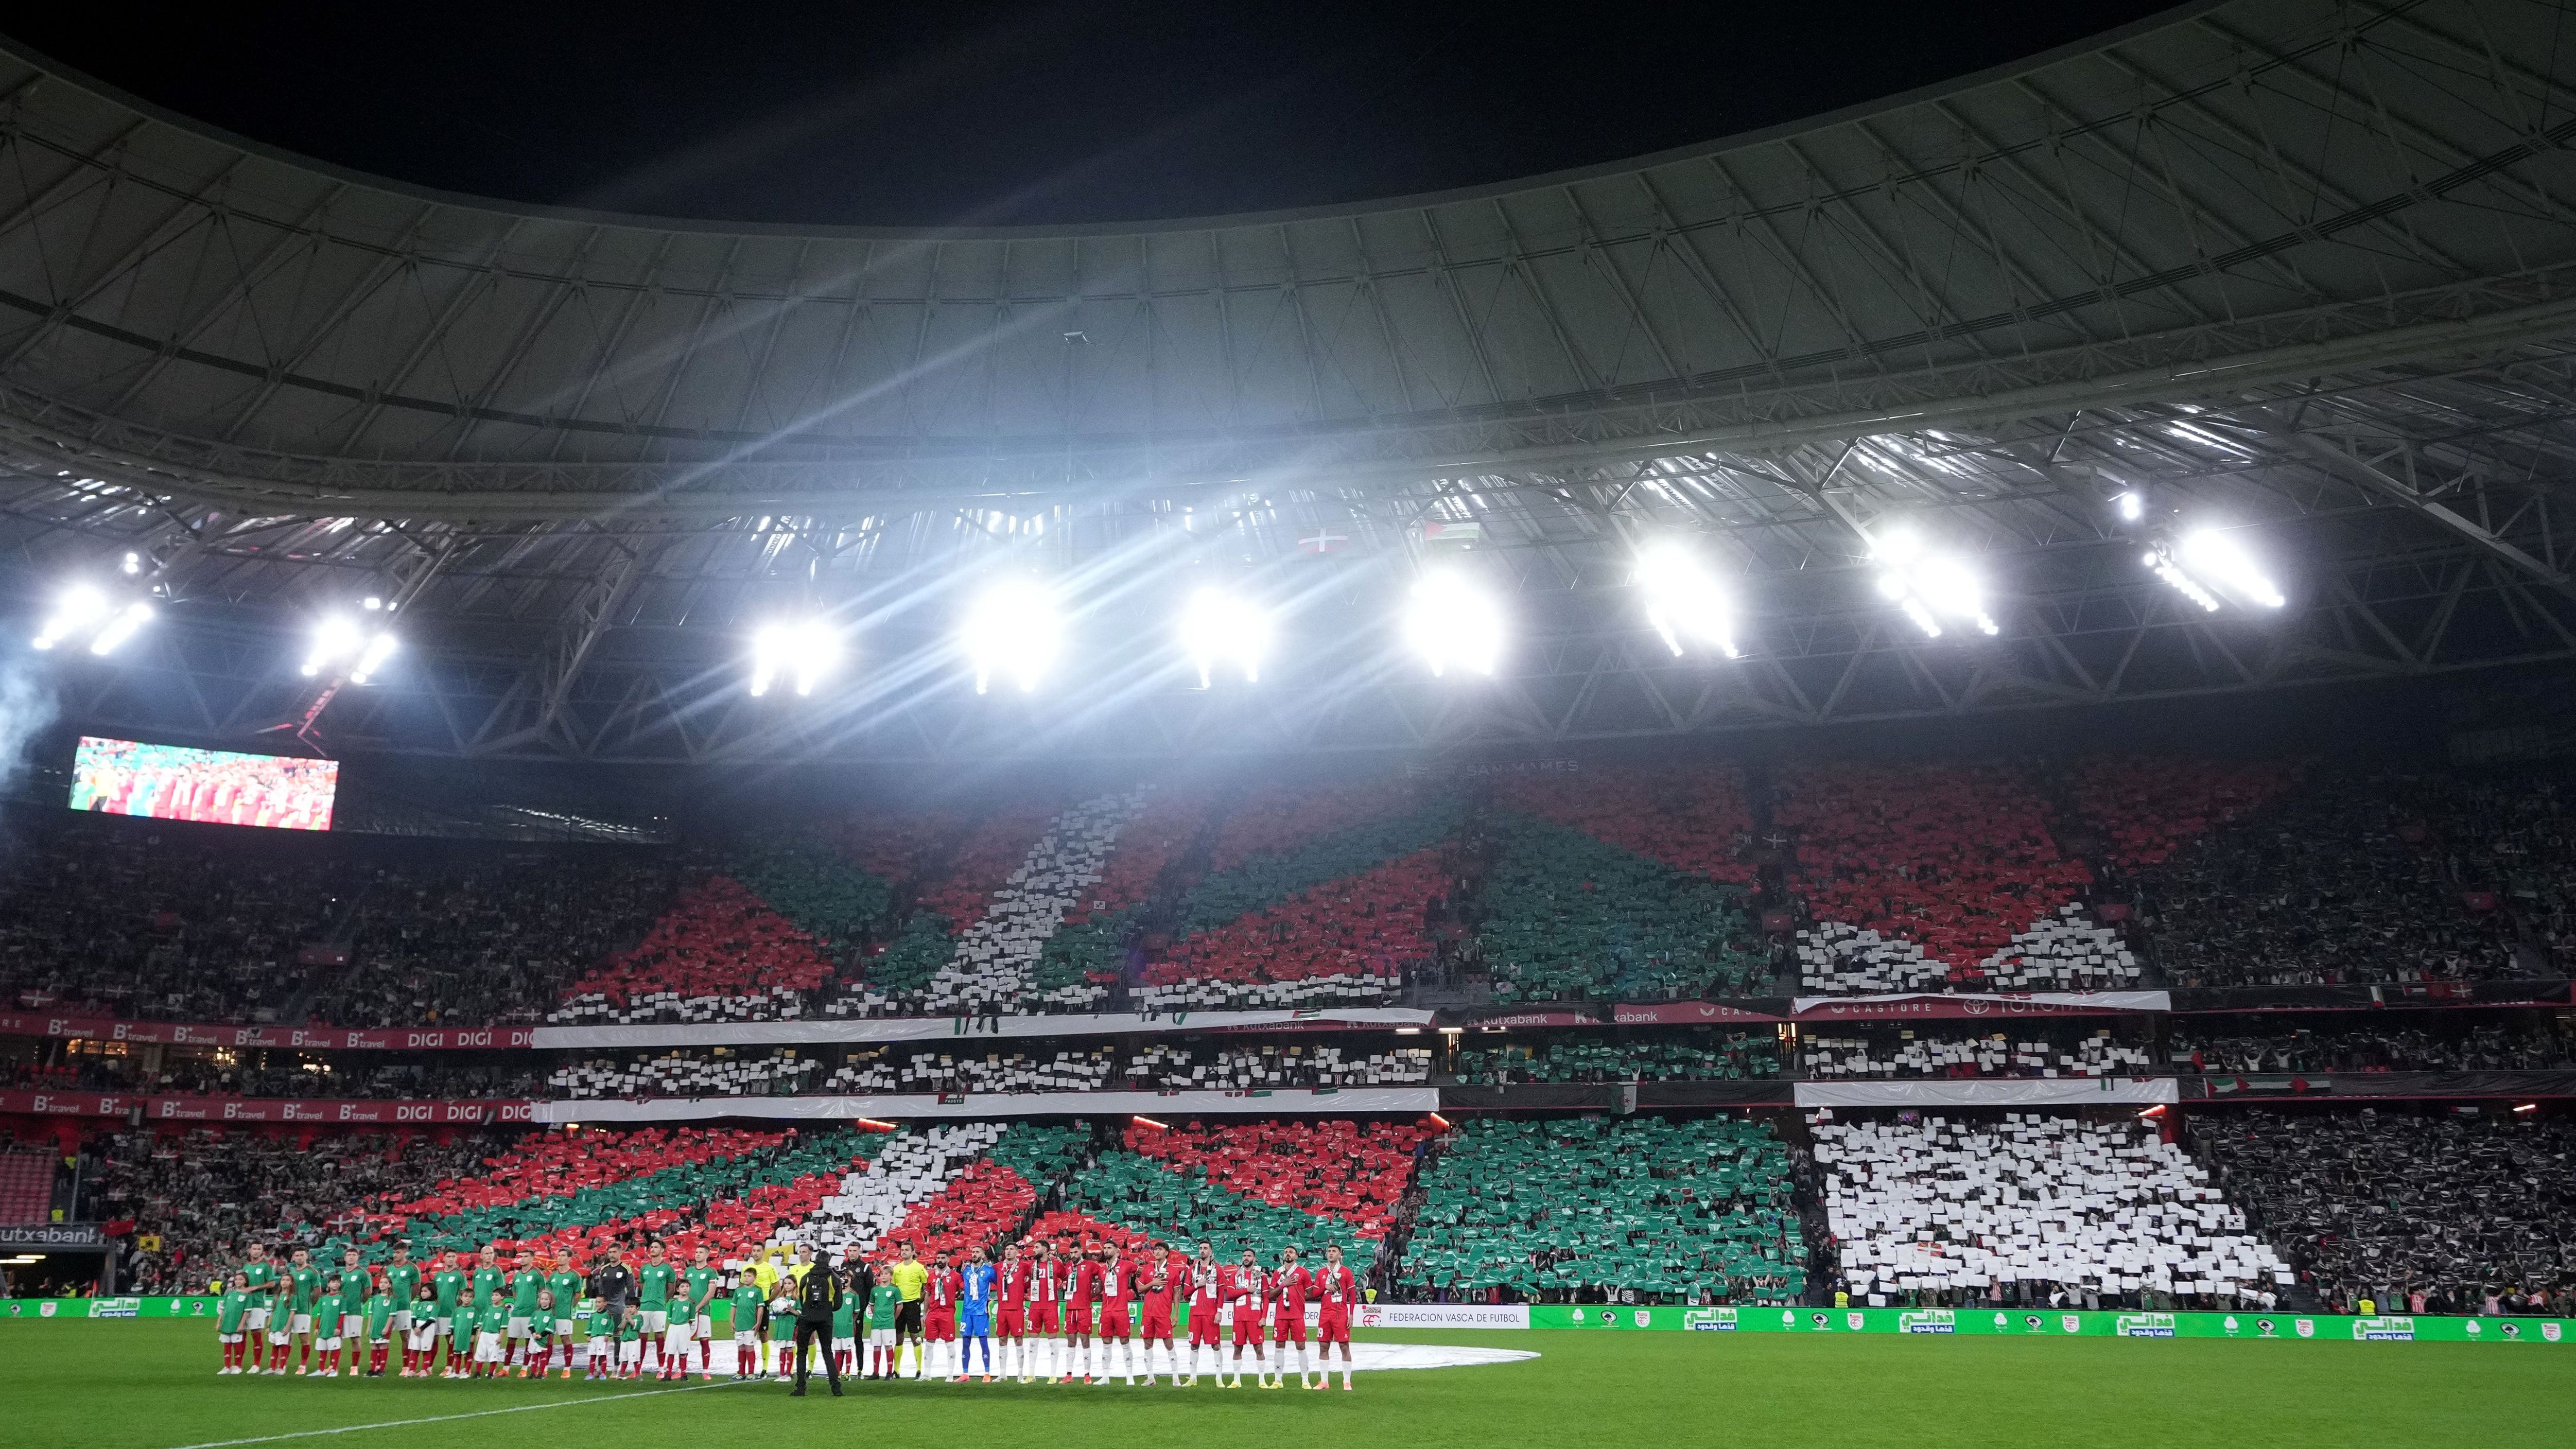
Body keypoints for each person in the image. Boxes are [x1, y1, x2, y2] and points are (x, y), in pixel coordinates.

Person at [788, 1244, 846, 1397]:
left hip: (807, 1317)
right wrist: (826, 1310)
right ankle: (836, 1388)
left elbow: (802, 1298)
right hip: (825, 1318)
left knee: (801, 1352)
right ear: (829, 1261)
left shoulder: (807, 1277)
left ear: (814, 1259)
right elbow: (838, 1304)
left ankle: (801, 1387)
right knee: (827, 1352)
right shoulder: (834, 1278)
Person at [1314, 1243, 1359, 1391]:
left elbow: (1352, 1295)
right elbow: (1315, 1294)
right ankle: (1324, 1382)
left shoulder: (1346, 1272)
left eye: (1334, 1251)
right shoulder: (1321, 1273)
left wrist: (1351, 1314)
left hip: (1340, 1313)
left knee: (1344, 1346)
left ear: (1340, 1255)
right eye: (1329, 1251)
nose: (1331, 1253)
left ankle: (1347, 1381)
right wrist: (1324, 1287)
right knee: (1323, 1346)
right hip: (1325, 1314)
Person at [1225, 1248, 1269, 1388]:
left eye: (1249, 1256)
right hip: (1239, 1318)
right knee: (1237, 1349)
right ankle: (1236, 1380)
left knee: (1259, 1349)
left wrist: (1264, 1317)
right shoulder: (1235, 1275)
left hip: (1255, 1318)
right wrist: (1246, 1290)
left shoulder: (1261, 1276)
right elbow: (1230, 1294)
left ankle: (1262, 1380)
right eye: (1244, 1256)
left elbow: (1266, 1299)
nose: (1246, 1258)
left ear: (1254, 1259)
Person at [1270, 1246, 1311, 1389]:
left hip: (1297, 1315)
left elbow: (1310, 1293)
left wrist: (1298, 1302)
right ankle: (1278, 1380)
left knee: (1301, 1346)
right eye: (1286, 1252)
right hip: (1281, 1315)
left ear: (1297, 1256)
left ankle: (1305, 1380)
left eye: (1291, 1252)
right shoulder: (1278, 1273)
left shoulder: (1303, 1273)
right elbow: (1270, 1295)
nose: (1288, 1254)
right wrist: (1283, 1285)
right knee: (1279, 1346)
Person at [1096, 1243, 1137, 1386]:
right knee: (1106, 1343)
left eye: (1109, 1248)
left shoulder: (1127, 1265)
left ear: (1117, 1251)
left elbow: (1142, 1273)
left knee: (1125, 1342)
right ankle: (1105, 1376)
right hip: (1106, 1311)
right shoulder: (1102, 1269)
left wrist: (1135, 1291)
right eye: (1105, 1248)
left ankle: (1130, 1377)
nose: (1106, 1250)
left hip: (1121, 1310)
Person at [1185, 1242, 1224, 1386]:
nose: (1202, 1251)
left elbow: (1221, 1294)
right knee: (1194, 1345)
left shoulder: (1217, 1270)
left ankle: (1219, 1378)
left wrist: (1219, 1311)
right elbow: (1186, 1293)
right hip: (1195, 1313)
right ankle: (1193, 1378)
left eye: (1205, 1248)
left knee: (1216, 1345)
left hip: (1210, 1312)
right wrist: (1197, 1285)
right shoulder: (1192, 1269)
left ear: (1211, 1251)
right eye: (1201, 1248)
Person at [1138, 1249, 1178, 1386]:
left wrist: (1176, 1313)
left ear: (1166, 1253)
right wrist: (1152, 1283)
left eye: (1160, 1250)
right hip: (1148, 1313)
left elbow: (1176, 1293)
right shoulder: (1148, 1269)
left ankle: (1176, 1378)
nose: (1157, 1252)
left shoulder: (1173, 1271)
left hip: (1163, 1313)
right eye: (1155, 1250)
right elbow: (1140, 1289)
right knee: (1148, 1344)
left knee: (1169, 1344)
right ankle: (1151, 1378)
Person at [889, 1244, 928, 1380]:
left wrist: (920, 1300)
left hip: (913, 1304)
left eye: (907, 1250)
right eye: (902, 1250)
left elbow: (927, 1284)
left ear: (913, 1252)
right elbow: (893, 1287)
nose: (904, 1252)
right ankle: (897, 1371)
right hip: (900, 1306)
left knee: (915, 1337)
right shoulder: (897, 1269)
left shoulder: (919, 1267)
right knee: (898, 1338)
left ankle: (918, 1371)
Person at [381, 1243, 421, 1377]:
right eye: (394, 1252)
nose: (395, 1255)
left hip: (403, 1307)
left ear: (405, 1252)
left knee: (405, 1336)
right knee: (384, 1336)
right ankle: (381, 1366)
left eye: (398, 1252)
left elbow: (416, 1287)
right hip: (388, 1306)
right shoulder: (389, 1268)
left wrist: (408, 1300)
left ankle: (406, 1366)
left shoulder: (412, 1268)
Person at [958, 1246, 997, 1382]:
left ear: (983, 1255)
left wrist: (991, 1299)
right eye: (973, 1252)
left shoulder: (989, 1271)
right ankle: (965, 1374)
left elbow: (1000, 1284)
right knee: (965, 1342)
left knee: (983, 1342)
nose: (974, 1255)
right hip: (967, 1312)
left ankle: (987, 1373)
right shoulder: (966, 1270)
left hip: (981, 1312)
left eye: (977, 1252)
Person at [238, 1246, 277, 1374]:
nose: (256, 1251)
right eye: (254, 1249)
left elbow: (272, 1283)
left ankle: (256, 1364)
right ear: (250, 1251)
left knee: (256, 1334)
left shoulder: (266, 1266)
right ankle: (238, 1365)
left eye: (259, 1249)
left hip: (258, 1304)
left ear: (262, 1252)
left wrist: (255, 1288)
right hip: (244, 1304)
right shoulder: (246, 1267)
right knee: (241, 1334)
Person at [548, 1256, 586, 1380]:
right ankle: (544, 1367)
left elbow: (578, 1294)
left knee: (566, 1339)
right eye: (558, 1256)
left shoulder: (574, 1276)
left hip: (564, 1313)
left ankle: (567, 1368)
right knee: (548, 1339)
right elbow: (547, 1294)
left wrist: (569, 1307)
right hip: (551, 1313)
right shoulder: (553, 1276)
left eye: (563, 1256)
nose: (560, 1258)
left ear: (569, 1258)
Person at [684, 1247, 720, 1378]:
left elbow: (711, 1293)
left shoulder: (711, 1272)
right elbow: (683, 1289)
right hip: (687, 1312)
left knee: (704, 1341)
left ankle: (705, 1371)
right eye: (697, 1252)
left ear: (707, 1255)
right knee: (684, 1341)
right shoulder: (689, 1271)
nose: (698, 1254)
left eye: (701, 1252)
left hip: (703, 1312)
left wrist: (698, 1307)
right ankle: (682, 1370)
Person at [924, 1250, 960, 1381]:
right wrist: (925, 1314)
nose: (940, 1260)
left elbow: (965, 1289)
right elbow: (928, 1294)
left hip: (947, 1313)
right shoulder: (932, 1276)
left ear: (948, 1260)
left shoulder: (955, 1276)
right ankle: (927, 1374)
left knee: (949, 1343)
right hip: (933, 1313)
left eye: (943, 1258)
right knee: (929, 1342)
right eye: (938, 1258)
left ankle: (950, 1374)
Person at [730, 1270, 769, 1379]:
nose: (746, 1278)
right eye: (745, 1276)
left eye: (749, 1276)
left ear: (755, 1278)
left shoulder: (757, 1291)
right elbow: (734, 1307)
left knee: (749, 1348)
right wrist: (732, 1322)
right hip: (739, 1324)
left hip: (750, 1325)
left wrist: (758, 1322)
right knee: (741, 1348)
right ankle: (741, 1372)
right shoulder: (738, 1291)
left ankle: (751, 1373)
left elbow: (760, 1308)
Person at [868, 1259, 902, 1380]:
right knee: (876, 1347)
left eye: (886, 1274)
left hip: (888, 1322)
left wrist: (894, 1318)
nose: (883, 1276)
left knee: (888, 1346)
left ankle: (889, 1373)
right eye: (882, 1274)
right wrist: (877, 1314)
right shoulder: (875, 1290)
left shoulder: (894, 1289)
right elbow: (872, 1306)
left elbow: (900, 1306)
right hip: (876, 1323)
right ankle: (876, 1373)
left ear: (891, 1276)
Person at [216, 1270, 254, 1374]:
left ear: (246, 1281)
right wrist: (219, 1322)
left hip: (237, 1323)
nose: (238, 1281)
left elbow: (247, 1312)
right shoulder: (230, 1294)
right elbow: (223, 1310)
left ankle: (238, 1366)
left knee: (237, 1344)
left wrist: (242, 1324)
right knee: (227, 1344)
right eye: (236, 1279)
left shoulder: (247, 1295)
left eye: (241, 1279)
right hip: (226, 1323)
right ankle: (227, 1367)